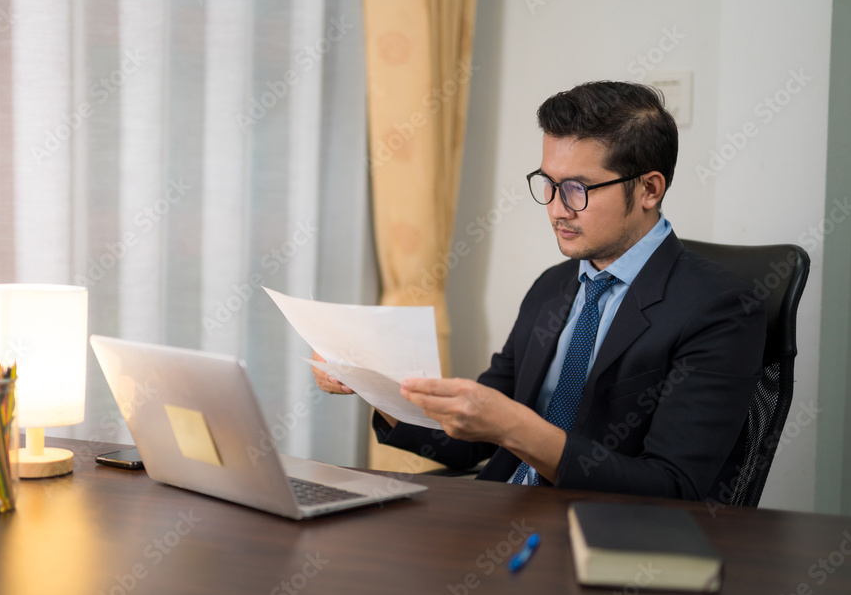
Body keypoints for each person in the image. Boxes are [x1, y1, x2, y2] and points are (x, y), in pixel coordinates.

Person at [312, 81, 766, 501]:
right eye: (548, 184)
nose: (555, 209)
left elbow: (672, 488)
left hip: (601, 541)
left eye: (577, 189)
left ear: (649, 189)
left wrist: (516, 428)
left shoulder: (721, 308)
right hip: (501, 515)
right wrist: (376, 387)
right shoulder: (554, 286)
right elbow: (471, 441)